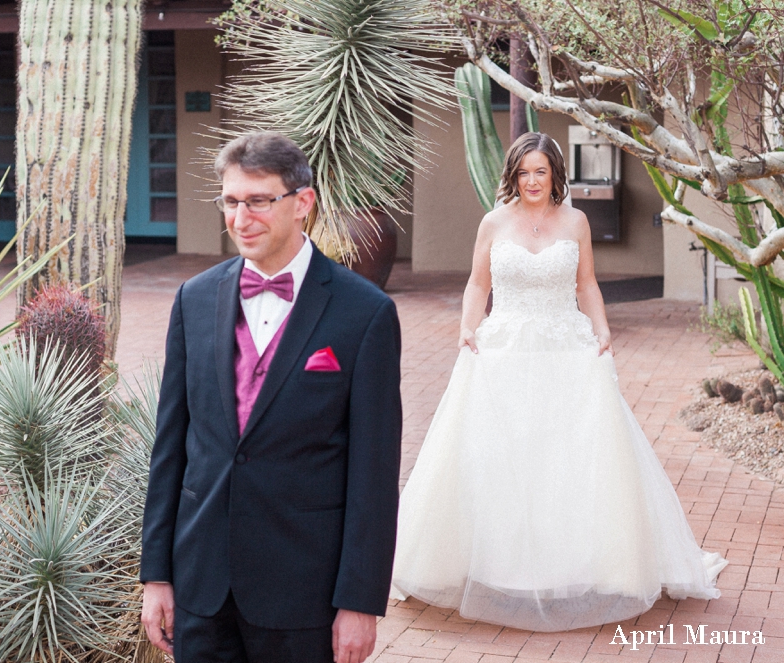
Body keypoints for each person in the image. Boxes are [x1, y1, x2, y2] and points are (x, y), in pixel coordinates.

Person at [389, 132, 727, 632]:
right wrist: (466, 326)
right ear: (513, 175)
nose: (531, 181)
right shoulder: (493, 222)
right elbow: (478, 283)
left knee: (567, 454)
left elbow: (586, 282)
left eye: (540, 172)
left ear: (554, 175)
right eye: (523, 172)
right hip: (503, 347)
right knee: (500, 453)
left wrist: (602, 326)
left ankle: (573, 563)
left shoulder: (575, 221)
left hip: (563, 345)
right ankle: (498, 564)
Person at [140, 131, 403, 662]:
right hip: (202, 585)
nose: (241, 219)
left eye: (258, 201)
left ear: (302, 203)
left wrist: (359, 601)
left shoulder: (364, 314)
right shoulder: (194, 300)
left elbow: (374, 474)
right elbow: (169, 449)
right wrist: (157, 576)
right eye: (231, 202)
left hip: (304, 593)